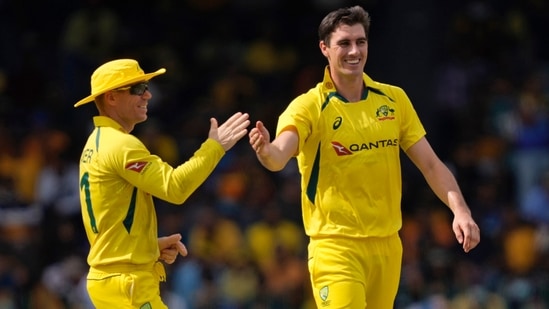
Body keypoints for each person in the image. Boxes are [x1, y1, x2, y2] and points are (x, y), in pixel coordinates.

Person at [248, 6, 480, 308]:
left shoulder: (393, 99)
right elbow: (280, 155)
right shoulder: (308, 106)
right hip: (336, 248)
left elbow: (432, 165)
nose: (354, 51)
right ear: (325, 49)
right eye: (344, 43)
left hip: (388, 246)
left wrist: (460, 211)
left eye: (361, 41)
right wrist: (266, 152)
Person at [74, 58, 250, 308]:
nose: (148, 95)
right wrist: (215, 148)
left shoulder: (95, 143)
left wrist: (148, 247)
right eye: (137, 89)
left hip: (113, 280)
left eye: (145, 87)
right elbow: (175, 188)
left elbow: (109, 216)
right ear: (111, 98)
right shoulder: (121, 145)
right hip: (129, 284)